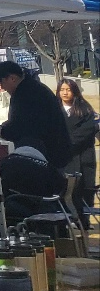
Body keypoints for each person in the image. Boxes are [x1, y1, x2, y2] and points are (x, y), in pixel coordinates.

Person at [0, 61, 73, 169]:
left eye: (2, 83)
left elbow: (25, 126)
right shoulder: (35, 88)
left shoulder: (26, 95)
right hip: (52, 152)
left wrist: (4, 131)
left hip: (43, 156)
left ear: (12, 78)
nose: (2, 87)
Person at [57, 78, 96, 229]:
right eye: (62, 90)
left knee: (85, 189)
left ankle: (84, 220)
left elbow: (87, 131)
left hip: (83, 155)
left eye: (68, 89)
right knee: (66, 190)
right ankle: (68, 219)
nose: (65, 93)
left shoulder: (84, 109)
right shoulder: (55, 110)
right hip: (63, 158)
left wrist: (67, 142)